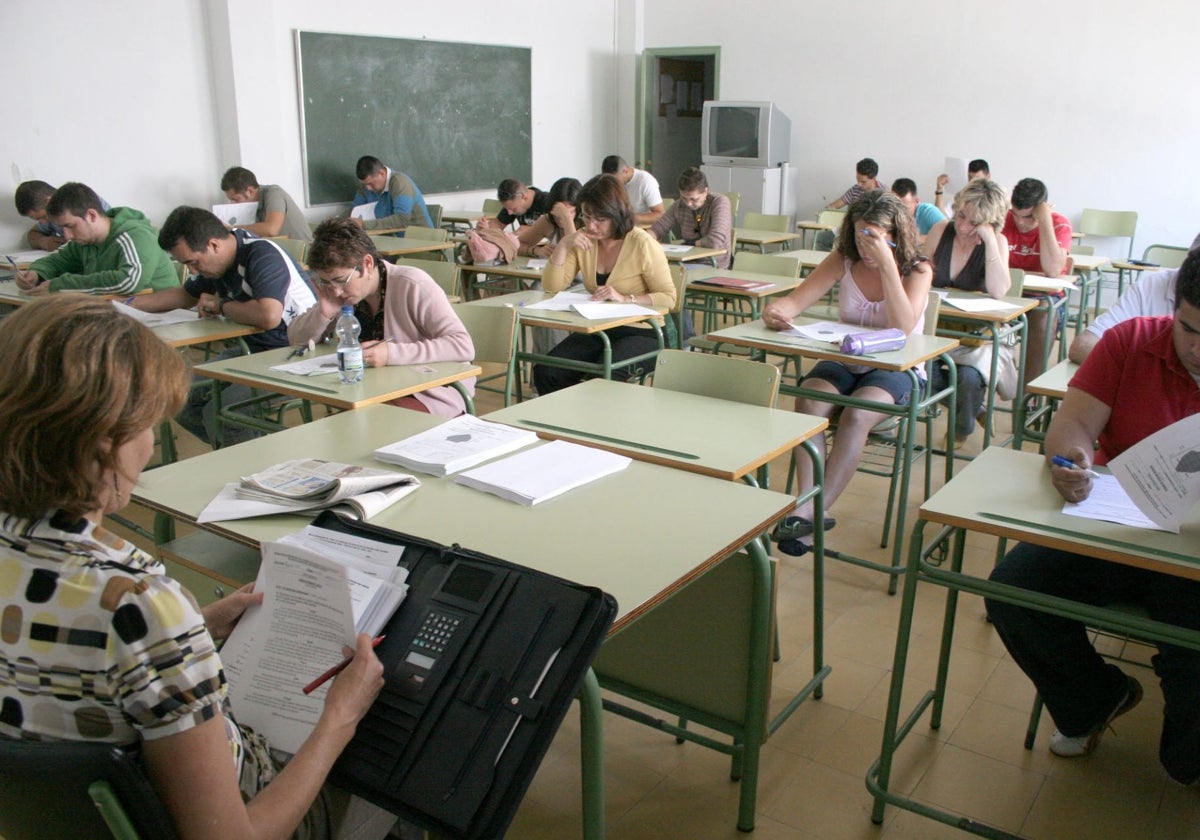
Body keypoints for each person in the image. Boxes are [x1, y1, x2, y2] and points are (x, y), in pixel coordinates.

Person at [0, 295, 397, 839]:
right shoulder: (138, 604)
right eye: (147, 427)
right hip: (242, 814)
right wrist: (338, 720)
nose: (151, 447)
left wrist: (196, 632)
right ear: (100, 445)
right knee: (404, 758)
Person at [986, 254, 1200, 784]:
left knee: (1189, 670)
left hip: (1193, 555)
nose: (1199, 348)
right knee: (1014, 592)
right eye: (1191, 329)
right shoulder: (1130, 342)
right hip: (1116, 524)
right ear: (1174, 308)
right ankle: (1096, 698)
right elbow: (1074, 424)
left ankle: (1185, 747)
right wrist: (1071, 461)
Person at [761, 190, 933, 556]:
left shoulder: (918, 270)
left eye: (873, 237)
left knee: (857, 413)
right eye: (858, 236)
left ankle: (813, 511)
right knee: (809, 400)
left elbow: (903, 327)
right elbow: (796, 300)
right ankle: (805, 504)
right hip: (845, 354)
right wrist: (778, 310)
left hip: (898, 365)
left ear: (894, 235)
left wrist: (888, 265)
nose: (864, 246)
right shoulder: (844, 259)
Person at [126, 207, 316, 446]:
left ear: (214, 245)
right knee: (178, 394)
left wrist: (221, 305)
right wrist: (128, 305)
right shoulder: (216, 262)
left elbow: (269, 316)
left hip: (296, 354)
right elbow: (185, 295)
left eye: (193, 263)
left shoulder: (261, 255)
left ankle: (250, 464)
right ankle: (242, 451)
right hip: (254, 351)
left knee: (225, 412)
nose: (192, 271)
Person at [289, 218, 475, 416]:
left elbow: (463, 346)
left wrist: (391, 354)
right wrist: (323, 313)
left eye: (340, 281)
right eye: (327, 282)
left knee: (356, 427)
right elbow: (295, 340)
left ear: (367, 264)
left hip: (428, 392)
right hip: (372, 389)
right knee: (341, 429)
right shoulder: (343, 294)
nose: (335, 291)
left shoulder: (412, 284)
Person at [533, 174, 676, 395]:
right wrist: (563, 245)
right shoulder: (582, 238)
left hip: (643, 331)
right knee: (547, 371)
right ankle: (567, 425)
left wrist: (625, 298)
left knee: (601, 378)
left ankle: (595, 425)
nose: (591, 225)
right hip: (599, 327)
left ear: (617, 214)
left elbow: (669, 298)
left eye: (600, 219)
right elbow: (553, 287)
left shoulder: (642, 243)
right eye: (586, 216)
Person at [923, 179, 1011, 444]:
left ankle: (962, 428)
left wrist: (990, 241)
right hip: (936, 327)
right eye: (961, 215)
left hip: (976, 335)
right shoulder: (941, 230)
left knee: (969, 378)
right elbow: (920, 277)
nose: (962, 226)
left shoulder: (997, 241)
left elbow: (999, 291)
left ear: (990, 223)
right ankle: (975, 410)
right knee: (921, 371)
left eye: (974, 223)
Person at [14, 182, 177, 296]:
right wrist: (36, 273)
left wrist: (60, 286)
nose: (66, 235)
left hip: (158, 319)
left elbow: (129, 281)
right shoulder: (84, 241)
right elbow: (56, 260)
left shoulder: (135, 235)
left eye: (71, 226)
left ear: (91, 215)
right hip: (118, 317)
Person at [1002, 177, 1073, 381]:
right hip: (1007, 293)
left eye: (1029, 217)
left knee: (1043, 316)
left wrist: (1045, 221)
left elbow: (1052, 270)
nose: (1021, 223)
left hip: (1045, 299)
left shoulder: (1058, 224)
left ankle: (1028, 393)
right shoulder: (1004, 220)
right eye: (1017, 215)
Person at [649, 166, 733, 269]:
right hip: (687, 260)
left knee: (667, 273)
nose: (688, 203)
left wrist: (690, 243)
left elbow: (714, 242)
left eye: (694, 199)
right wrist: (648, 237)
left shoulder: (720, 202)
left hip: (712, 263)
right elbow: (658, 228)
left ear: (705, 192)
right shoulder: (679, 205)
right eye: (684, 198)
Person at [220, 166, 313, 242]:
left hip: (303, 255)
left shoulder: (274, 193)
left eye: (236, 199)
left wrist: (232, 228)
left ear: (250, 191)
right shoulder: (251, 207)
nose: (233, 204)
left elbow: (271, 230)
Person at [12, 179, 110, 251]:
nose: (43, 222)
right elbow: (33, 233)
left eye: (43, 217)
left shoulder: (82, 203)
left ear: (49, 202)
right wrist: (43, 242)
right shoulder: (50, 216)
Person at [815, 157, 884, 250]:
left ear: (874, 179)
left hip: (870, 232)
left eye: (863, 182)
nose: (859, 184)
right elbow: (835, 205)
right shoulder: (855, 189)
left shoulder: (883, 194)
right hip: (850, 229)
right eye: (857, 180)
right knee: (822, 238)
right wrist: (824, 211)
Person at [350, 156, 433, 230]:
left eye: (370, 183)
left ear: (382, 174)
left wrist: (364, 225)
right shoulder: (366, 187)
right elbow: (355, 212)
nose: (368, 188)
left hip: (421, 240)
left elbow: (402, 220)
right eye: (364, 184)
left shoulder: (399, 182)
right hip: (390, 239)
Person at [518, 176, 583, 259]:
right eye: (558, 212)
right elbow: (517, 245)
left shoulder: (587, 223)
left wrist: (567, 220)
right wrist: (535, 250)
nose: (561, 218)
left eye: (569, 212)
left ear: (578, 209)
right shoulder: (548, 220)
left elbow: (577, 256)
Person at [600, 155, 665, 226]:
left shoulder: (646, 181)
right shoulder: (609, 182)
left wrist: (630, 218)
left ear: (625, 171)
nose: (612, 183)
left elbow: (660, 215)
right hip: (619, 227)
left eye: (615, 180)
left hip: (643, 228)